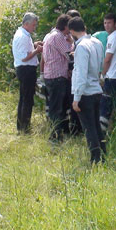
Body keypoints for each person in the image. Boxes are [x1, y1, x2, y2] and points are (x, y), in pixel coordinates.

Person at [69, 17, 106, 164]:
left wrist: (76, 98)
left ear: (72, 31)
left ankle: (95, 159)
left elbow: (81, 73)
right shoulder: (96, 42)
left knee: (89, 128)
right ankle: (103, 154)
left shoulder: (81, 47)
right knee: (96, 126)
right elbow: (100, 65)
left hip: (86, 92)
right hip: (97, 89)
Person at [42, 14, 74, 142]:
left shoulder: (51, 35)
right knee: (56, 108)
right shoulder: (58, 37)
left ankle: (59, 133)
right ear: (65, 26)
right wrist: (74, 44)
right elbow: (69, 55)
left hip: (52, 76)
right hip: (57, 77)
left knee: (57, 106)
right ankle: (54, 136)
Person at [12, 12, 43, 134]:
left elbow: (25, 51)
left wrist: (34, 46)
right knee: (27, 99)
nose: (34, 28)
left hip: (25, 69)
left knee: (24, 98)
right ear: (26, 24)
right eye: (33, 25)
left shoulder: (24, 34)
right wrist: (37, 51)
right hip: (25, 70)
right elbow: (24, 57)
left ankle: (22, 125)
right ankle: (25, 127)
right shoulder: (22, 36)